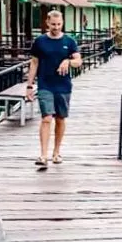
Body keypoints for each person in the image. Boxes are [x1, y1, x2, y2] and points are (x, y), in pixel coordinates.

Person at [25, 10, 82, 170]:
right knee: (46, 118)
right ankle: (43, 155)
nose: (56, 27)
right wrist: (29, 86)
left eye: (59, 24)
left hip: (63, 85)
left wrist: (68, 62)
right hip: (45, 85)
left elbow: (79, 60)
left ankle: (56, 152)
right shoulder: (40, 41)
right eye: (53, 24)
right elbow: (34, 63)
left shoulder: (69, 41)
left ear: (62, 23)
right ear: (47, 23)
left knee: (60, 118)